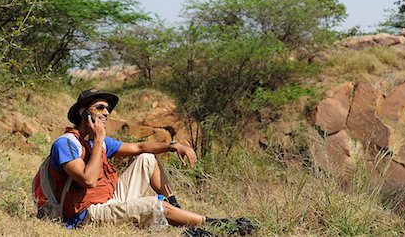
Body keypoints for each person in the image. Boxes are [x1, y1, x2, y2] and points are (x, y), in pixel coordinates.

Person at [50, 88, 254, 235]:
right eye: (100, 107)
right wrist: (99, 138)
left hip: (109, 199)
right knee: (155, 206)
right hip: (88, 214)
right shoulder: (66, 144)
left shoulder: (99, 142)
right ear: (82, 112)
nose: (106, 113)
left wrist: (173, 145)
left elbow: (139, 148)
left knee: (147, 159)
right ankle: (217, 223)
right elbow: (88, 181)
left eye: (108, 109)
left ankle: (177, 208)